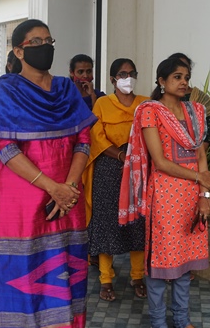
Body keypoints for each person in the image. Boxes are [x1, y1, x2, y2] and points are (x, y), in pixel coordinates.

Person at [0, 19, 98, 328]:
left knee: (66, 268)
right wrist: (52, 187)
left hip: (68, 198)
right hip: (21, 199)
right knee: (25, 269)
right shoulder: (7, 90)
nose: (45, 47)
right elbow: (6, 148)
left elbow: (83, 139)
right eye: (36, 42)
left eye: (48, 41)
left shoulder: (66, 89)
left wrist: (69, 186)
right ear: (18, 51)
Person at [119, 57, 210, 328]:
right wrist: (199, 177)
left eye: (186, 77)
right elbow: (159, 161)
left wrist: (204, 196)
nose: (183, 82)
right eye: (177, 77)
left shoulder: (196, 111)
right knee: (161, 261)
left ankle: (182, 320)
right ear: (162, 81)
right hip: (165, 193)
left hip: (193, 194)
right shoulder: (151, 111)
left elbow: (201, 157)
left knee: (186, 260)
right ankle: (159, 323)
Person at [83, 58, 149, 302]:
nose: (127, 78)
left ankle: (137, 276)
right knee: (106, 222)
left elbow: (153, 134)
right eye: (122, 74)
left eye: (132, 73)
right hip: (109, 168)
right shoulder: (102, 104)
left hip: (138, 169)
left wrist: (134, 159)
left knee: (138, 220)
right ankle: (106, 279)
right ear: (112, 79)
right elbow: (96, 136)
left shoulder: (145, 104)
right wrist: (122, 156)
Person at [168, 53, 210, 152]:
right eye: (177, 75)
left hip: (194, 156)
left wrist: (193, 158)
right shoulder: (157, 104)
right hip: (163, 156)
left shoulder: (201, 100)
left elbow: (207, 136)